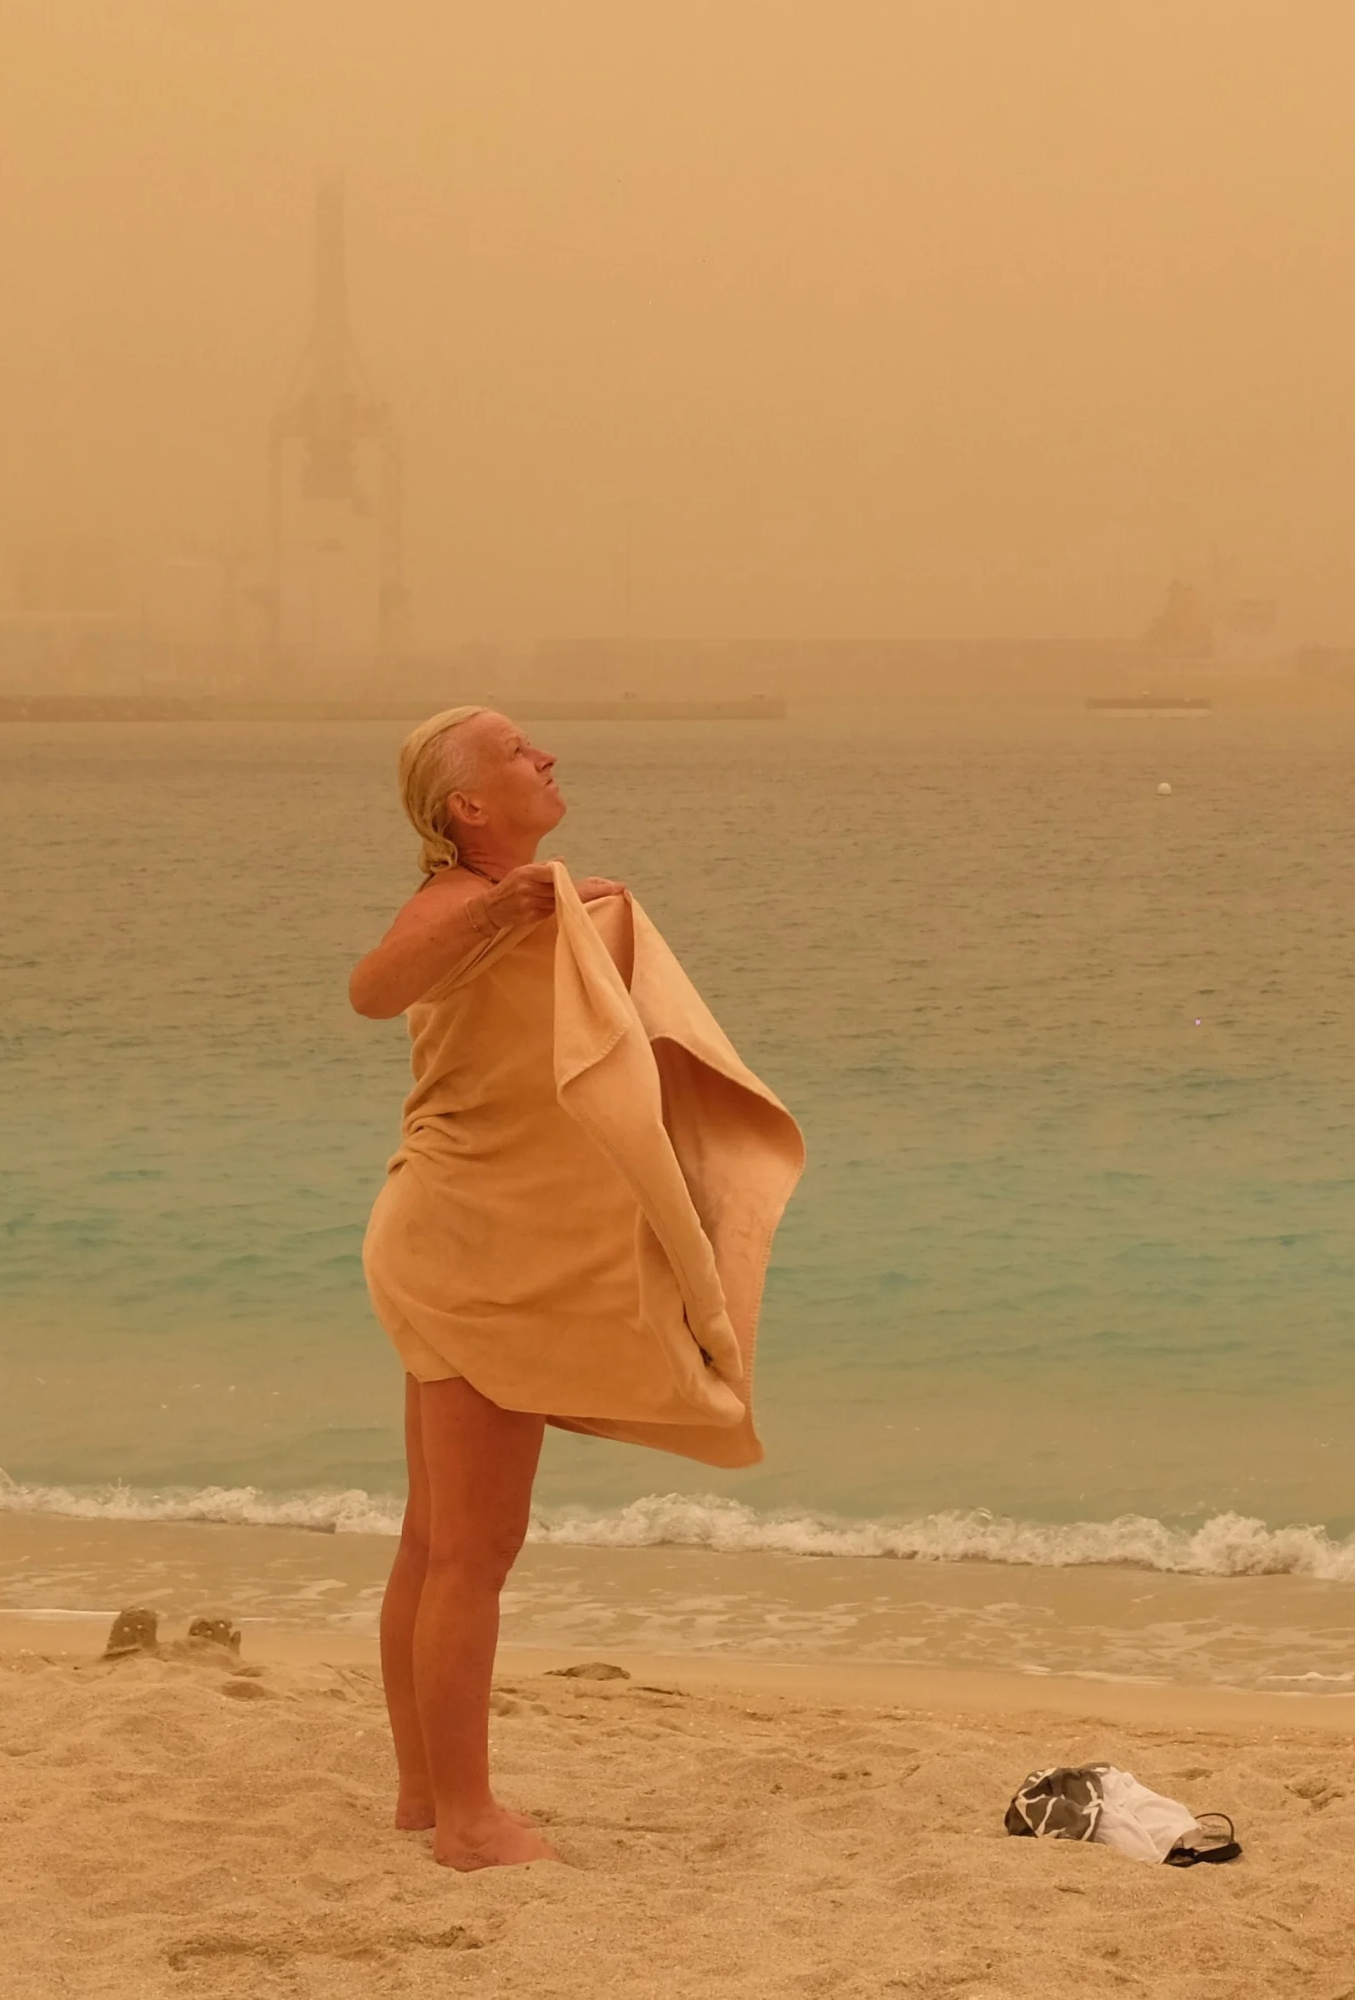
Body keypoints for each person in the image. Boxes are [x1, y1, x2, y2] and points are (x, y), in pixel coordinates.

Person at [348, 706, 805, 1871]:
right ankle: (466, 1819)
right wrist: (503, 909)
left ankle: (419, 1795)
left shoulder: (547, 906)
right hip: (473, 1252)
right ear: (467, 808)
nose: (543, 757)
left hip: (473, 1241)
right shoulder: (456, 904)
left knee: (433, 1539)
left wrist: (566, 921)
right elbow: (372, 986)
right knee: (471, 1554)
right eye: (515, 752)